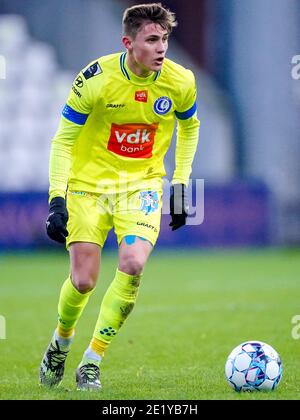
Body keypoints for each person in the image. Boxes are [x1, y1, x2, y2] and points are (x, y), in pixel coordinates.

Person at [40, 2, 200, 391]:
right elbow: (64, 140)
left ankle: (92, 360)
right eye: (151, 40)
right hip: (88, 187)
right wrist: (56, 198)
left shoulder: (180, 81)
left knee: (132, 263)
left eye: (164, 39)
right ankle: (61, 342)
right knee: (83, 281)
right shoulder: (94, 80)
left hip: (141, 186)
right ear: (128, 43)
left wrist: (180, 185)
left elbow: (189, 128)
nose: (161, 47)